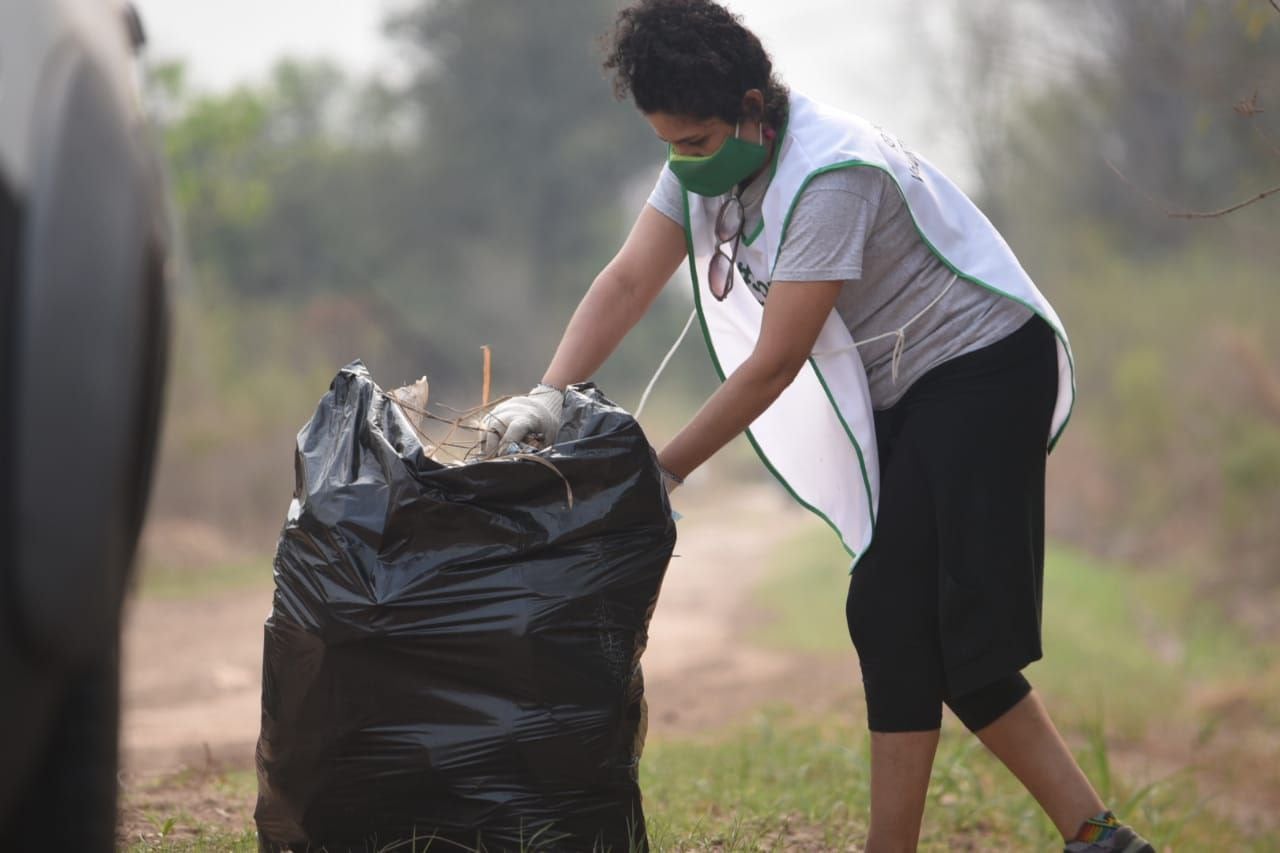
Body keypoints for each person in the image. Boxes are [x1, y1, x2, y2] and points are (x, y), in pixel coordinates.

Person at [482, 2, 1154, 851]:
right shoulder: (705, 162)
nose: (683, 163)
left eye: (695, 142)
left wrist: (661, 472)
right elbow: (626, 281)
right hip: (911, 387)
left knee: (908, 615)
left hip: (984, 368)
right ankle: (1099, 838)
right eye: (669, 144)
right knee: (915, 625)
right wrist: (547, 394)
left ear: (755, 110)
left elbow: (776, 359)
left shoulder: (832, 172)